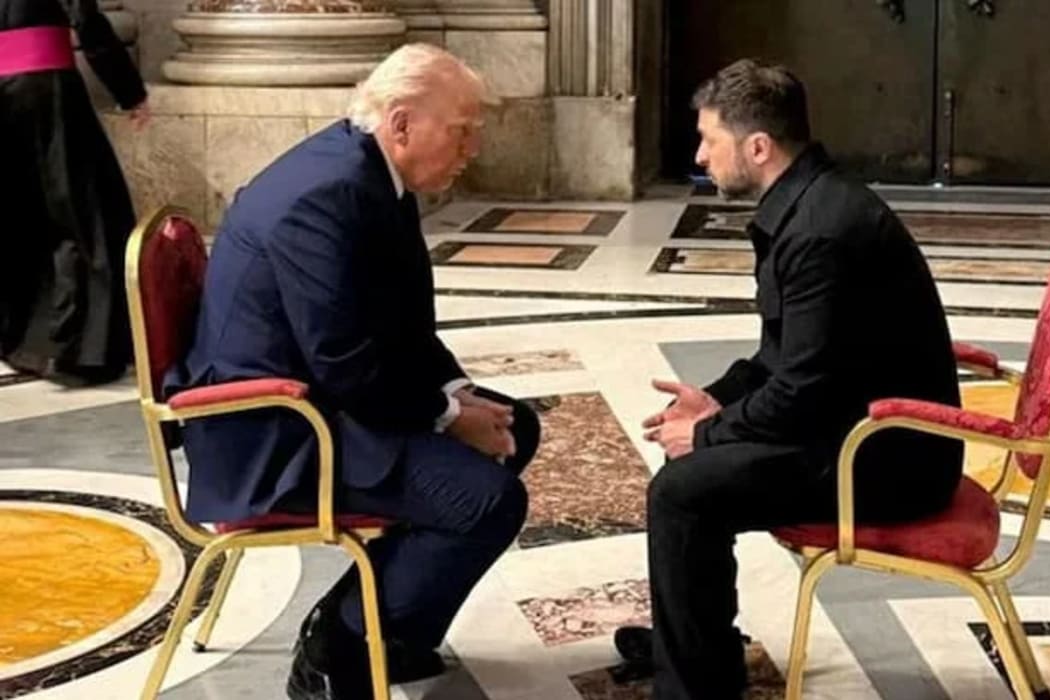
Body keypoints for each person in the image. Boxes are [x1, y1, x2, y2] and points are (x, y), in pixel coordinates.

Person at [164, 44, 540, 699]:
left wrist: (456, 394)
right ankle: (338, 643)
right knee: (488, 501)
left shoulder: (367, 171)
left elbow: (397, 325)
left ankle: (389, 626)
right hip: (272, 432)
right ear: (400, 123)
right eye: (462, 129)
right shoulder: (329, 193)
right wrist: (448, 417)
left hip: (320, 399)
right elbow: (344, 361)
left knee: (518, 427)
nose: (472, 146)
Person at [614, 59, 964, 699]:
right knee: (690, 483)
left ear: (757, 147)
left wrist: (710, 433)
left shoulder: (820, 233)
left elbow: (801, 390)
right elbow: (784, 357)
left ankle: (695, 682)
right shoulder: (809, 205)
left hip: (887, 458)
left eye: (709, 141)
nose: (699, 155)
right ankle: (694, 649)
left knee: (683, 491)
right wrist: (715, 399)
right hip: (855, 426)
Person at [0, 0, 150, 385]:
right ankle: (79, 348)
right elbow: (86, 20)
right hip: (46, 89)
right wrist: (129, 90)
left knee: (18, 214)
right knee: (85, 216)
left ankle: (18, 337)